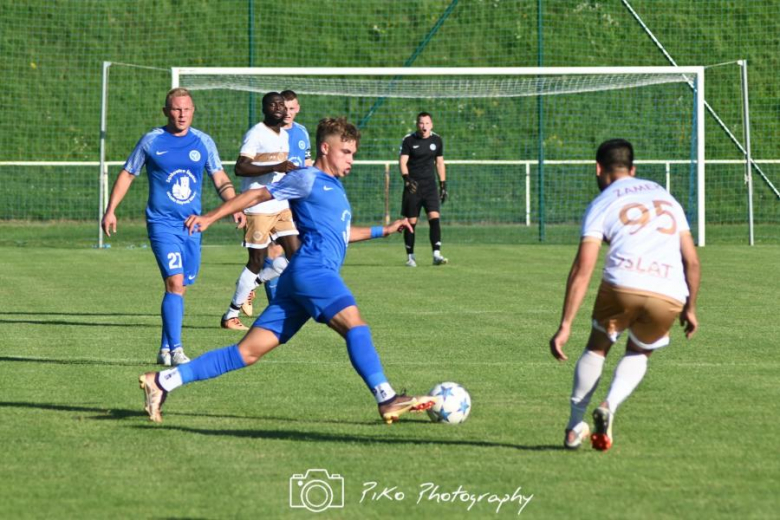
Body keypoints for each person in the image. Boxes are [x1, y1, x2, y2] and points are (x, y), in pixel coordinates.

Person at [139, 117, 437, 424]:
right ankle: (386, 397)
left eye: (353, 154)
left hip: (298, 279)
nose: (351, 159)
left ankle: (163, 382)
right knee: (355, 325)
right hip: (314, 271)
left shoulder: (333, 188)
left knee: (247, 353)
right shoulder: (307, 178)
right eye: (346, 152)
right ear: (325, 148)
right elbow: (257, 194)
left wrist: (383, 230)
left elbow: (339, 233)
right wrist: (210, 217)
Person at [549, 139, 700, 451]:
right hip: (668, 290)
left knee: (598, 347)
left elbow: (583, 267)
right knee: (639, 351)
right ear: (633, 169)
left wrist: (565, 325)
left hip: (623, 284)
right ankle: (610, 404)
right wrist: (690, 307)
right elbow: (692, 261)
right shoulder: (664, 195)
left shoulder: (603, 202)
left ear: (598, 169)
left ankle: (575, 424)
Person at [101, 87, 244, 366]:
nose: (182, 114)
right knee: (175, 282)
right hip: (161, 223)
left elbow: (219, 177)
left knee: (181, 287)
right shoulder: (152, 141)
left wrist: (234, 206)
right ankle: (177, 349)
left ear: (193, 111)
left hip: (193, 226)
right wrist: (111, 210)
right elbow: (128, 173)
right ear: (166, 111)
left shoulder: (203, 142)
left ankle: (165, 348)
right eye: (176, 109)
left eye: (186, 109)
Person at [220, 92, 301, 331]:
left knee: (296, 256)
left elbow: (279, 171)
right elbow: (240, 167)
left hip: (280, 205)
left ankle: (253, 284)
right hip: (258, 207)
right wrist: (275, 165)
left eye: (281, 105)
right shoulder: (256, 133)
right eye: (273, 104)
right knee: (256, 260)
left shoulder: (285, 136)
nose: (279, 108)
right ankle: (230, 315)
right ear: (265, 109)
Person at [252, 90, 313, 305]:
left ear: (298, 109)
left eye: (292, 108)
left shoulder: (302, 132)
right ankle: (274, 303)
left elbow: (306, 163)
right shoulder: (265, 133)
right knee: (275, 250)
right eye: (284, 107)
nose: (287, 112)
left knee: (294, 253)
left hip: (297, 200)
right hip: (273, 199)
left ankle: (254, 284)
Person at [399, 111, 448, 267]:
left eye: (427, 123)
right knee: (411, 222)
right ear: (417, 124)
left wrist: (443, 184)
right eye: (421, 123)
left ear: (431, 124)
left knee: (434, 218)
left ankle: (436, 254)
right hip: (413, 187)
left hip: (430, 187)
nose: (424, 126)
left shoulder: (437, 140)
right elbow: (403, 161)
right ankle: (410, 257)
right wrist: (407, 179)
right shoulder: (408, 140)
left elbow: (439, 163)